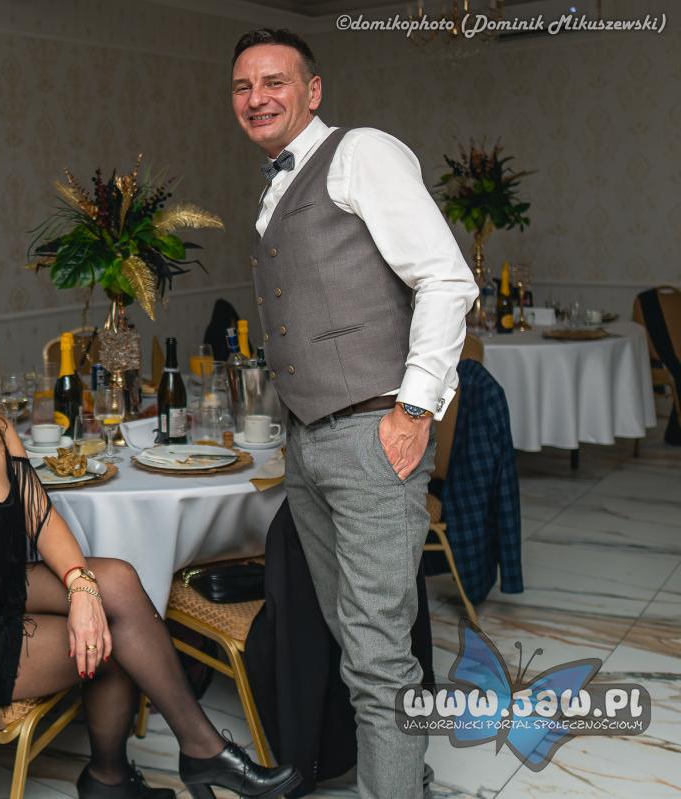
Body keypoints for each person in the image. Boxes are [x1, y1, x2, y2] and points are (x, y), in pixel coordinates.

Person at [0, 285, 302, 799]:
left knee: (113, 583)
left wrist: (80, 588)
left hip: (1, 587)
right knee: (117, 637)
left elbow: (41, 516)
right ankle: (133, 772)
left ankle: (159, 763)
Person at [229, 29, 478, 799]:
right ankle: (407, 775)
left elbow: (446, 279)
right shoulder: (277, 186)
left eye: (275, 81)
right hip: (309, 442)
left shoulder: (361, 152)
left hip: (371, 433)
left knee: (375, 652)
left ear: (313, 91)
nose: (257, 98)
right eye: (242, 86)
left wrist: (413, 409)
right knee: (355, 637)